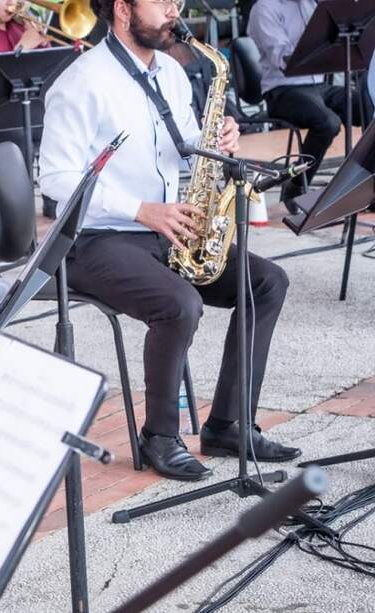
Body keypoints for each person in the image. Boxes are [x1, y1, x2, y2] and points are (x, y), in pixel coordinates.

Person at [39, 0, 300, 481]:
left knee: (267, 281)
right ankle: (159, 435)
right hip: (96, 239)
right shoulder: (81, 83)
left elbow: (183, 157)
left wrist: (217, 143)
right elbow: (55, 179)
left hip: (164, 227)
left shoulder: (174, 75)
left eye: (176, 2)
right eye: (161, 3)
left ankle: (228, 425)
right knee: (180, 304)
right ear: (122, 9)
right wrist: (140, 210)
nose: (174, 12)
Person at [248, 0, 368, 209]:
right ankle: (295, 184)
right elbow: (282, 58)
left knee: (368, 105)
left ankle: (367, 181)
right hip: (282, 90)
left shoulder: (311, 4)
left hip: (318, 85)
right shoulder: (264, 7)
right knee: (328, 123)